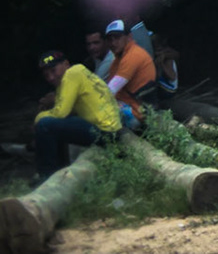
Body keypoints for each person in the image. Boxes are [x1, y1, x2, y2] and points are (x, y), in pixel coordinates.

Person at [33, 50, 121, 182]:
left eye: (53, 70)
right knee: (55, 126)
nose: (51, 77)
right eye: (46, 75)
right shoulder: (78, 72)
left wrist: (38, 118)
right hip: (110, 129)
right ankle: (59, 170)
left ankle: (47, 176)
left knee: (45, 125)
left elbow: (60, 112)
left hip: (104, 132)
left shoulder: (71, 75)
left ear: (66, 64)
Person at [102, 19, 156, 131]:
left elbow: (110, 90)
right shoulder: (119, 58)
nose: (113, 43)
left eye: (117, 38)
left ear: (129, 37)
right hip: (130, 105)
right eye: (110, 39)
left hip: (139, 113)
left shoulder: (132, 56)